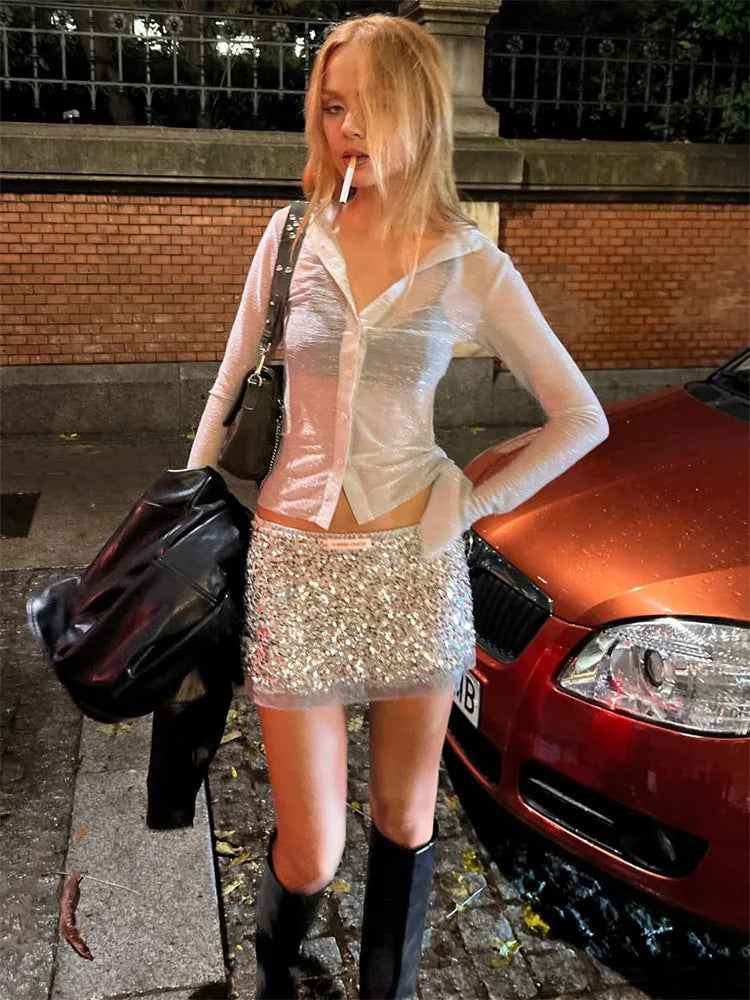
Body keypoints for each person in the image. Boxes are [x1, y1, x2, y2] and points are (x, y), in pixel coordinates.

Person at [187, 13, 608, 999]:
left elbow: (578, 415)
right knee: (312, 846)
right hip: (292, 569)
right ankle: (276, 967)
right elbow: (225, 387)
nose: (346, 130)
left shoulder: (471, 262)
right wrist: (184, 507)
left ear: (420, 112)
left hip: (414, 575)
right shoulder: (292, 236)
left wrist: (469, 496)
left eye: (368, 107)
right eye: (332, 107)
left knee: (405, 818)